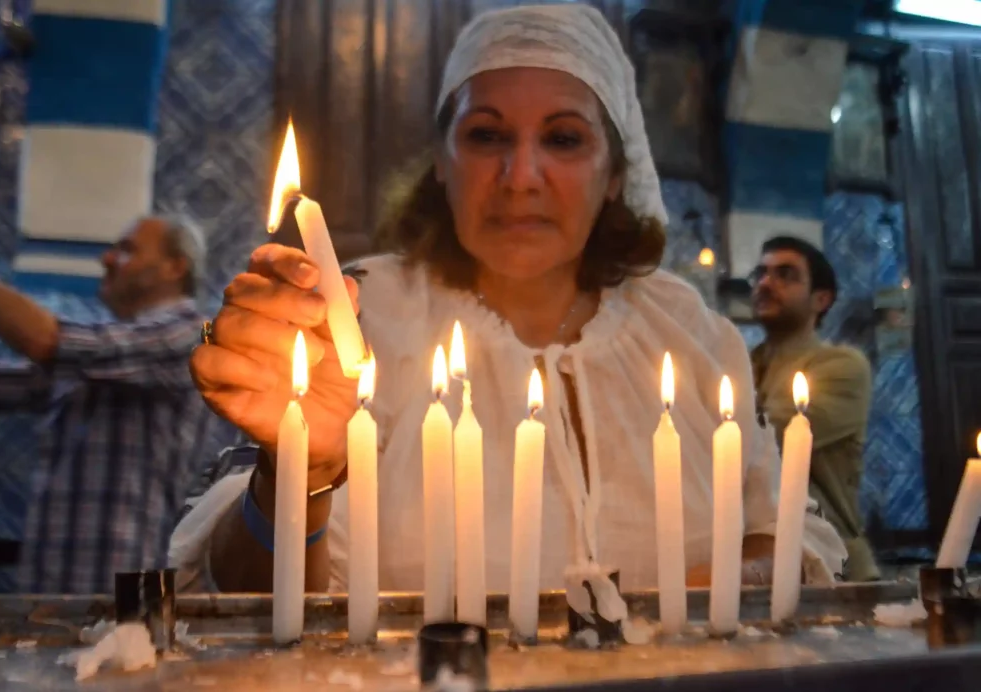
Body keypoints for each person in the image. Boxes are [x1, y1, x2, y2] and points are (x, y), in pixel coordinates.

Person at [173, 4, 845, 594]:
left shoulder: (688, 332)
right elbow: (243, 599)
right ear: (443, 161)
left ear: (614, 173)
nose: (520, 177)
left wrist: (711, 591)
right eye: (487, 135)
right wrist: (302, 473)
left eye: (562, 139)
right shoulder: (355, 319)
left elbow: (781, 532)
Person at [0, 214, 213, 593]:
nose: (107, 259)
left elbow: (45, 341)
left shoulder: (189, 332)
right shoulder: (111, 345)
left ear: (176, 266)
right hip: (51, 586)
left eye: (127, 250)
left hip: (116, 595)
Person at [750, 236, 880, 582]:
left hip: (833, 562)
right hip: (755, 557)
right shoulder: (740, 363)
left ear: (821, 299)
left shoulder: (842, 366)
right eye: (761, 273)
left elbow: (767, 435)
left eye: (785, 274)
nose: (765, 282)